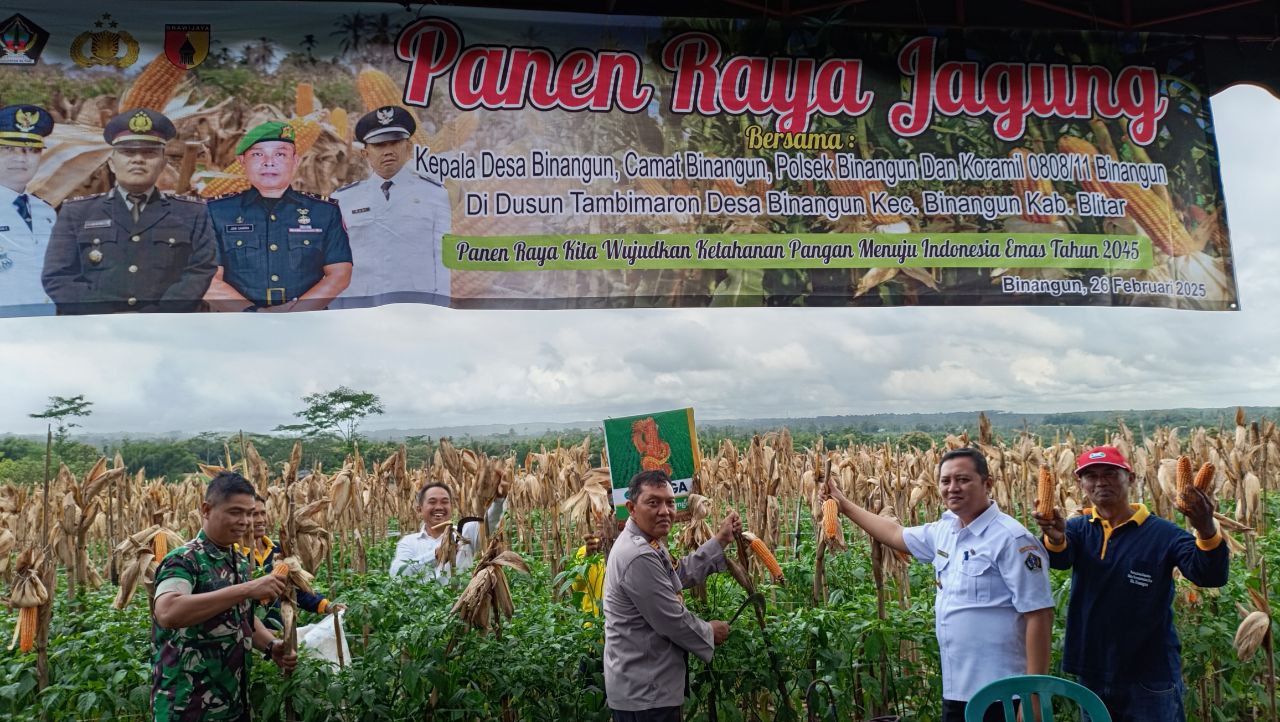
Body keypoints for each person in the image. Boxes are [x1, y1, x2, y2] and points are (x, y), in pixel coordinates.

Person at [823, 447, 1054, 722]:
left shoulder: (1012, 539)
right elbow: (895, 533)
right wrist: (844, 504)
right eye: (946, 481)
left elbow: (1039, 615)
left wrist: (1033, 698)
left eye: (963, 480)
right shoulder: (946, 532)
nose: (952, 488)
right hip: (958, 691)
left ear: (987, 484)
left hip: (1005, 693)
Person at [1032, 446, 1229, 722]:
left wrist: (1206, 527)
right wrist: (1053, 537)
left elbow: (1210, 576)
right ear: (1082, 484)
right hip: (1092, 669)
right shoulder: (1077, 528)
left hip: (1150, 675)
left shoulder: (1164, 534)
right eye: (1091, 475)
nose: (1101, 482)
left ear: (1132, 478)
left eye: (1111, 473)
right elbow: (1061, 558)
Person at [151, 472, 297, 721]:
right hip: (188, 705)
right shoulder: (184, 560)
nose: (245, 521)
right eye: (235, 512)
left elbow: (242, 617)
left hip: (232, 702)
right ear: (206, 510)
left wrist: (270, 645)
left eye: (250, 513)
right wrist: (248, 589)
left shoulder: (238, 561)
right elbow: (168, 612)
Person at [42, 108, 216, 314]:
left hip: (168, 327)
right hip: (96, 329)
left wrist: (154, 316)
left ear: (163, 164)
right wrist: (108, 316)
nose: (138, 159)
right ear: (111, 163)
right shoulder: (77, 213)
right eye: (128, 152)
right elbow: (58, 276)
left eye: (149, 153)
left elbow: (200, 270)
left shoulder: (191, 213)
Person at [604, 469, 741, 722]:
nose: (665, 511)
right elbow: (672, 620)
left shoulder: (647, 543)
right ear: (632, 508)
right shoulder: (638, 555)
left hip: (645, 689)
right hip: (646, 694)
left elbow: (676, 574)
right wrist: (710, 631)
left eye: (669, 502)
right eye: (653, 502)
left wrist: (719, 541)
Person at [204, 121, 351, 312]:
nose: (269, 162)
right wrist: (253, 314)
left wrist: (294, 314)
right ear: (242, 162)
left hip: (307, 325)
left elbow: (340, 274)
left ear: (296, 161)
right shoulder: (216, 212)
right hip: (237, 326)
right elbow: (207, 278)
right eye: (258, 154)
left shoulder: (324, 211)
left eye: (280, 154)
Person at [330, 105, 451, 308]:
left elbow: (443, 258)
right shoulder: (343, 200)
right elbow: (336, 262)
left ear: (408, 147)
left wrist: (441, 307)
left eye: (395, 142)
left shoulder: (435, 194)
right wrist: (337, 310)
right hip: (361, 305)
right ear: (365, 153)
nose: (388, 151)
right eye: (379, 145)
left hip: (415, 303)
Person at [240, 495, 343, 630]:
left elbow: (295, 589)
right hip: (251, 638)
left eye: (263, 513)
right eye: (254, 514)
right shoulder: (235, 555)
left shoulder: (279, 549)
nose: (260, 520)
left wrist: (326, 605)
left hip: (280, 634)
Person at [0, 103, 56, 317]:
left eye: (31, 150)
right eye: (8, 149)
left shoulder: (46, 212)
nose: (21, 158)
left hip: (44, 323)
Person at [390, 480, 507, 581]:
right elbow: (396, 574)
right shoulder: (409, 542)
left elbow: (489, 522)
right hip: (422, 606)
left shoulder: (463, 533)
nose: (439, 507)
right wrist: (435, 556)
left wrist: (499, 499)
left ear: (452, 507)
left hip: (462, 605)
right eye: (432, 502)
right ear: (419, 509)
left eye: (445, 502)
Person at [571, 533, 606, 616]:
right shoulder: (586, 550)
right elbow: (577, 587)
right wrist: (586, 558)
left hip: (616, 618)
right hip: (593, 620)